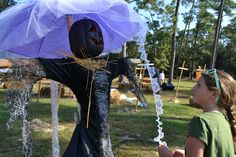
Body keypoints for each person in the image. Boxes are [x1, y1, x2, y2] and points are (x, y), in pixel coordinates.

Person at [157, 69, 236, 157]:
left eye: (198, 85)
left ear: (214, 94)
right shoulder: (224, 120)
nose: (193, 88)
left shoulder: (200, 122)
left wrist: (166, 155)